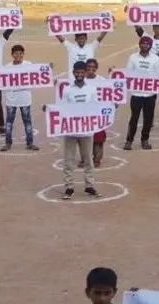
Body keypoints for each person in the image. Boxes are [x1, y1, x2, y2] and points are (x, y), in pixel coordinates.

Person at [58, 61, 101, 200]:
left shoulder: (91, 89)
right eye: (77, 72)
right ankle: (69, 186)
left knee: (88, 159)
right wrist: (49, 110)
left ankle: (89, 185)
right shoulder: (67, 89)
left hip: (86, 130)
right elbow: (62, 107)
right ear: (73, 73)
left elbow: (96, 106)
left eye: (82, 72)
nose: (80, 75)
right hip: (71, 130)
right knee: (69, 160)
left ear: (85, 73)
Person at [122, 36, 159, 151]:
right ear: (139, 45)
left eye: (147, 44)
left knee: (148, 119)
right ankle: (129, 141)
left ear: (150, 46)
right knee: (134, 118)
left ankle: (145, 140)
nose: (144, 45)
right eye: (142, 43)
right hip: (137, 94)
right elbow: (128, 73)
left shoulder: (155, 59)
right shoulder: (133, 57)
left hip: (150, 95)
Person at [0, 45, 39, 152]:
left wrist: (48, 68)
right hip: (11, 99)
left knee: (27, 122)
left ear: (23, 54)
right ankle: (8, 143)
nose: (18, 55)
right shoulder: (6, 67)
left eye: (20, 53)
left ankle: (30, 143)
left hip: (25, 98)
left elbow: (39, 72)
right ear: (12, 55)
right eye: (16, 53)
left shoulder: (29, 65)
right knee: (9, 123)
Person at [84, 58, 108, 166]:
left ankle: (97, 159)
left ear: (96, 68)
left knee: (98, 138)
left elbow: (110, 92)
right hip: (84, 113)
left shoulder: (101, 80)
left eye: (93, 67)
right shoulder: (80, 79)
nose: (91, 69)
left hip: (98, 113)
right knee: (84, 138)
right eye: (88, 67)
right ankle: (85, 158)